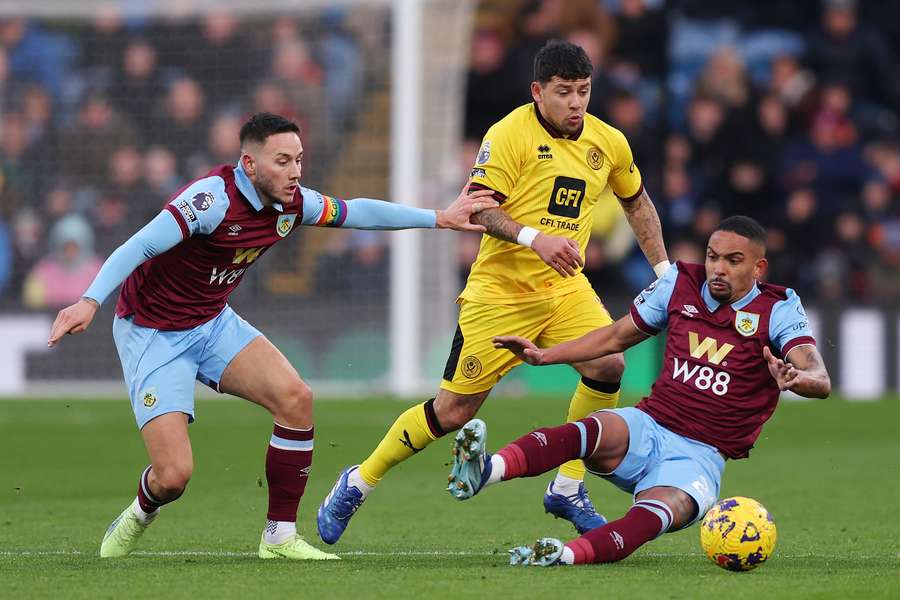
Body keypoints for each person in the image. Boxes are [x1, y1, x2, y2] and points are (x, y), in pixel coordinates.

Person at [46, 112, 497, 561]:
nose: (295, 172)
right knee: (173, 477)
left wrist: (439, 218)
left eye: (299, 160)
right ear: (249, 164)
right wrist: (89, 300)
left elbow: (356, 211)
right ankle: (140, 511)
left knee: (296, 399)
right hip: (154, 333)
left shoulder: (293, 203)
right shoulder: (211, 200)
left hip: (211, 322)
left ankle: (278, 537)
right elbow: (139, 245)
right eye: (283, 161)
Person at [318, 40, 669, 544]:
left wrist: (662, 272)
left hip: (565, 289)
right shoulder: (508, 135)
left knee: (609, 365)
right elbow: (479, 208)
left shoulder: (609, 142)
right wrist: (535, 237)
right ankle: (358, 480)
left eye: (584, 91)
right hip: (500, 292)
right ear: (537, 91)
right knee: (453, 412)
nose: (576, 102)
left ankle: (568, 485)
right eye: (564, 92)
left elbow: (637, 203)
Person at [447, 215, 830, 566]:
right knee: (590, 428)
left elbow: (819, 376)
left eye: (733, 260)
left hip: (699, 457)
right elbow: (615, 336)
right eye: (713, 257)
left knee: (651, 516)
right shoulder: (680, 283)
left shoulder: (777, 306)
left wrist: (797, 379)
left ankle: (562, 555)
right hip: (649, 425)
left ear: (758, 267)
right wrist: (544, 356)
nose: (718, 268)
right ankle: (485, 471)